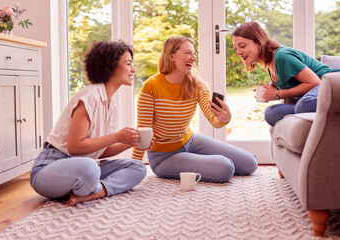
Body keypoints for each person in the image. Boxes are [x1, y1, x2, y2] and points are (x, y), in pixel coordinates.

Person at [30, 41, 151, 206]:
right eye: (128, 64)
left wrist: (131, 142)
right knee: (89, 167)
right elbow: (74, 147)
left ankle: (94, 192)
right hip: (50, 167)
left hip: (84, 165)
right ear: (111, 66)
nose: (133, 69)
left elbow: (100, 150)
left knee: (138, 167)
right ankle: (89, 185)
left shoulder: (111, 106)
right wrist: (116, 136)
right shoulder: (90, 96)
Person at [132, 36, 258, 183]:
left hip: (190, 141)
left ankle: (196, 161)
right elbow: (143, 133)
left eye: (194, 53)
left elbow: (214, 121)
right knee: (224, 168)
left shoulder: (198, 85)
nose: (193, 58)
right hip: (163, 157)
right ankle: (201, 163)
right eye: (188, 53)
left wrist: (225, 118)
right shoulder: (151, 86)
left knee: (251, 163)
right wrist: (133, 166)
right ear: (172, 56)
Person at [232, 21, 340, 126]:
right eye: (236, 48)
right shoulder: (270, 64)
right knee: (271, 113)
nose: (238, 52)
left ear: (259, 42)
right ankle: (305, 111)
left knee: (304, 106)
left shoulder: (281, 56)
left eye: (242, 46)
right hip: (319, 94)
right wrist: (271, 87)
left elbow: (316, 83)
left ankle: (304, 109)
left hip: (334, 85)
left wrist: (278, 94)